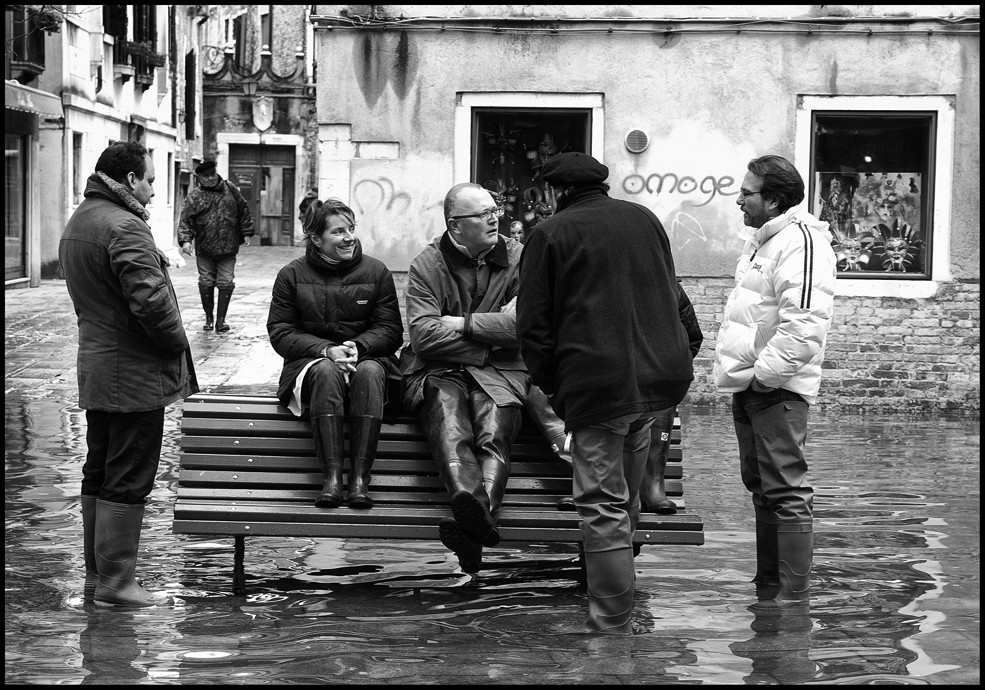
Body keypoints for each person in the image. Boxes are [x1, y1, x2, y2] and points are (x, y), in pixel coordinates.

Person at [516, 151, 695, 633]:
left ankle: (611, 627)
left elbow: (533, 327)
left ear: (555, 192)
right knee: (627, 499)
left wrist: (557, 388)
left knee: (601, 504)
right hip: (657, 385)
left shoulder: (549, 234)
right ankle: (623, 618)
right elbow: (670, 296)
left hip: (599, 386)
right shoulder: (645, 219)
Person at [59, 140, 199, 607]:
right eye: (151, 181)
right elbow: (152, 303)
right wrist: (177, 343)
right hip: (134, 376)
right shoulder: (125, 226)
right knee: (129, 474)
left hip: (100, 369)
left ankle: (98, 577)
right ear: (130, 180)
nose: (155, 191)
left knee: (99, 470)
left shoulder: (82, 220)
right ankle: (118, 583)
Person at [713, 154, 836, 608]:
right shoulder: (764, 240)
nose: (738, 200)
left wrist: (765, 377)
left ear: (774, 199)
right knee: (762, 486)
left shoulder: (801, 242)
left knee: (785, 488)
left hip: (775, 388)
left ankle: (792, 600)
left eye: (746, 192)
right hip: (751, 384)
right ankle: (769, 591)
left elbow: (804, 324)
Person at [401, 182, 528, 574]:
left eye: (496, 210)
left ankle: (472, 528)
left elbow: (527, 325)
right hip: (440, 371)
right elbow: (423, 335)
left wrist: (465, 324)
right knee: (450, 424)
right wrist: (489, 342)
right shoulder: (427, 264)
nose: (496, 219)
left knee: (495, 429)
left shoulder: (519, 258)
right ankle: (477, 521)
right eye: (483, 214)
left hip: (502, 374)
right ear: (456, 227)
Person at [267, 198, 403, 510]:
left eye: (351, 229)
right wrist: (325, 350)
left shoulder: (377, 271)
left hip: (367, 361)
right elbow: (281, 332)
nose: (349, 237)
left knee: (369, 371)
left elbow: (391, 329)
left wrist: (359, 347)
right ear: (316, 238)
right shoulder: (291, 275)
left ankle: (358, 480)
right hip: (312, 365)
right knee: (327, 371)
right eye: (339, 232)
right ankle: (331, 480)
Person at [178, 159, 255, 333]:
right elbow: (186, 220)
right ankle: (209, 319)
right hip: (204, 249)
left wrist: (247, 231)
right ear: (199, 178)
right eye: (206, 176)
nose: (211, 179)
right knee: (206, 282)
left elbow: (243, 209)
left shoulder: (230, 189)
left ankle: (221, 321)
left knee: (226, 282)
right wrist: (186, 241)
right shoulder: (195, 196)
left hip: (228, 247)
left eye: (213, 174)